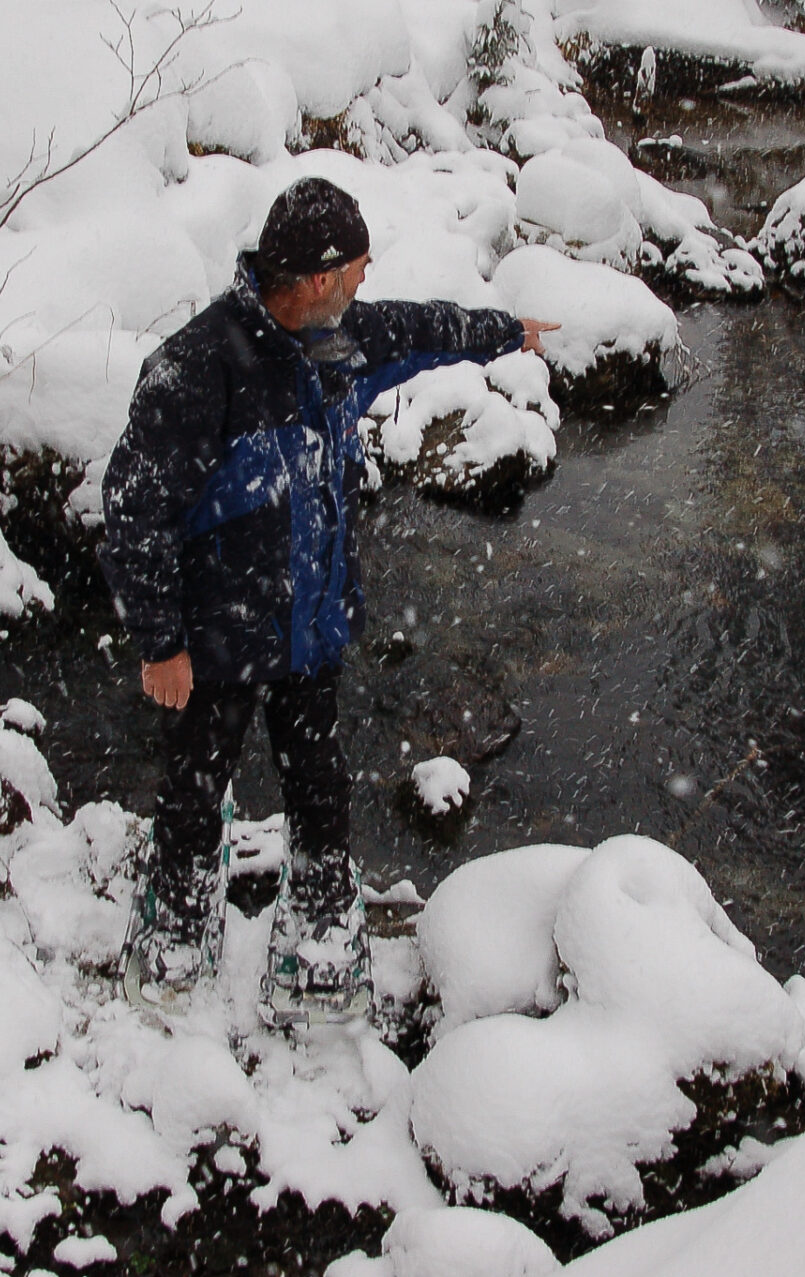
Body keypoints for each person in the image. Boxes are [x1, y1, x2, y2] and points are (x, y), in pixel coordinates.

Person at [101, 176, 554, 1023]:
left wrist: (502, 333)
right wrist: (160, 642)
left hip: (310, 629)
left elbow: (421, 327)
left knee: (321, 785)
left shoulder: (340, 338)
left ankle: (315, 934)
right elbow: (132, 512)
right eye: (356, 266)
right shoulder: (196, 369)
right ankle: (177, 929)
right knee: (197, 788)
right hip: (218, 641)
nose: (365, 279)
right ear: (315, 277)